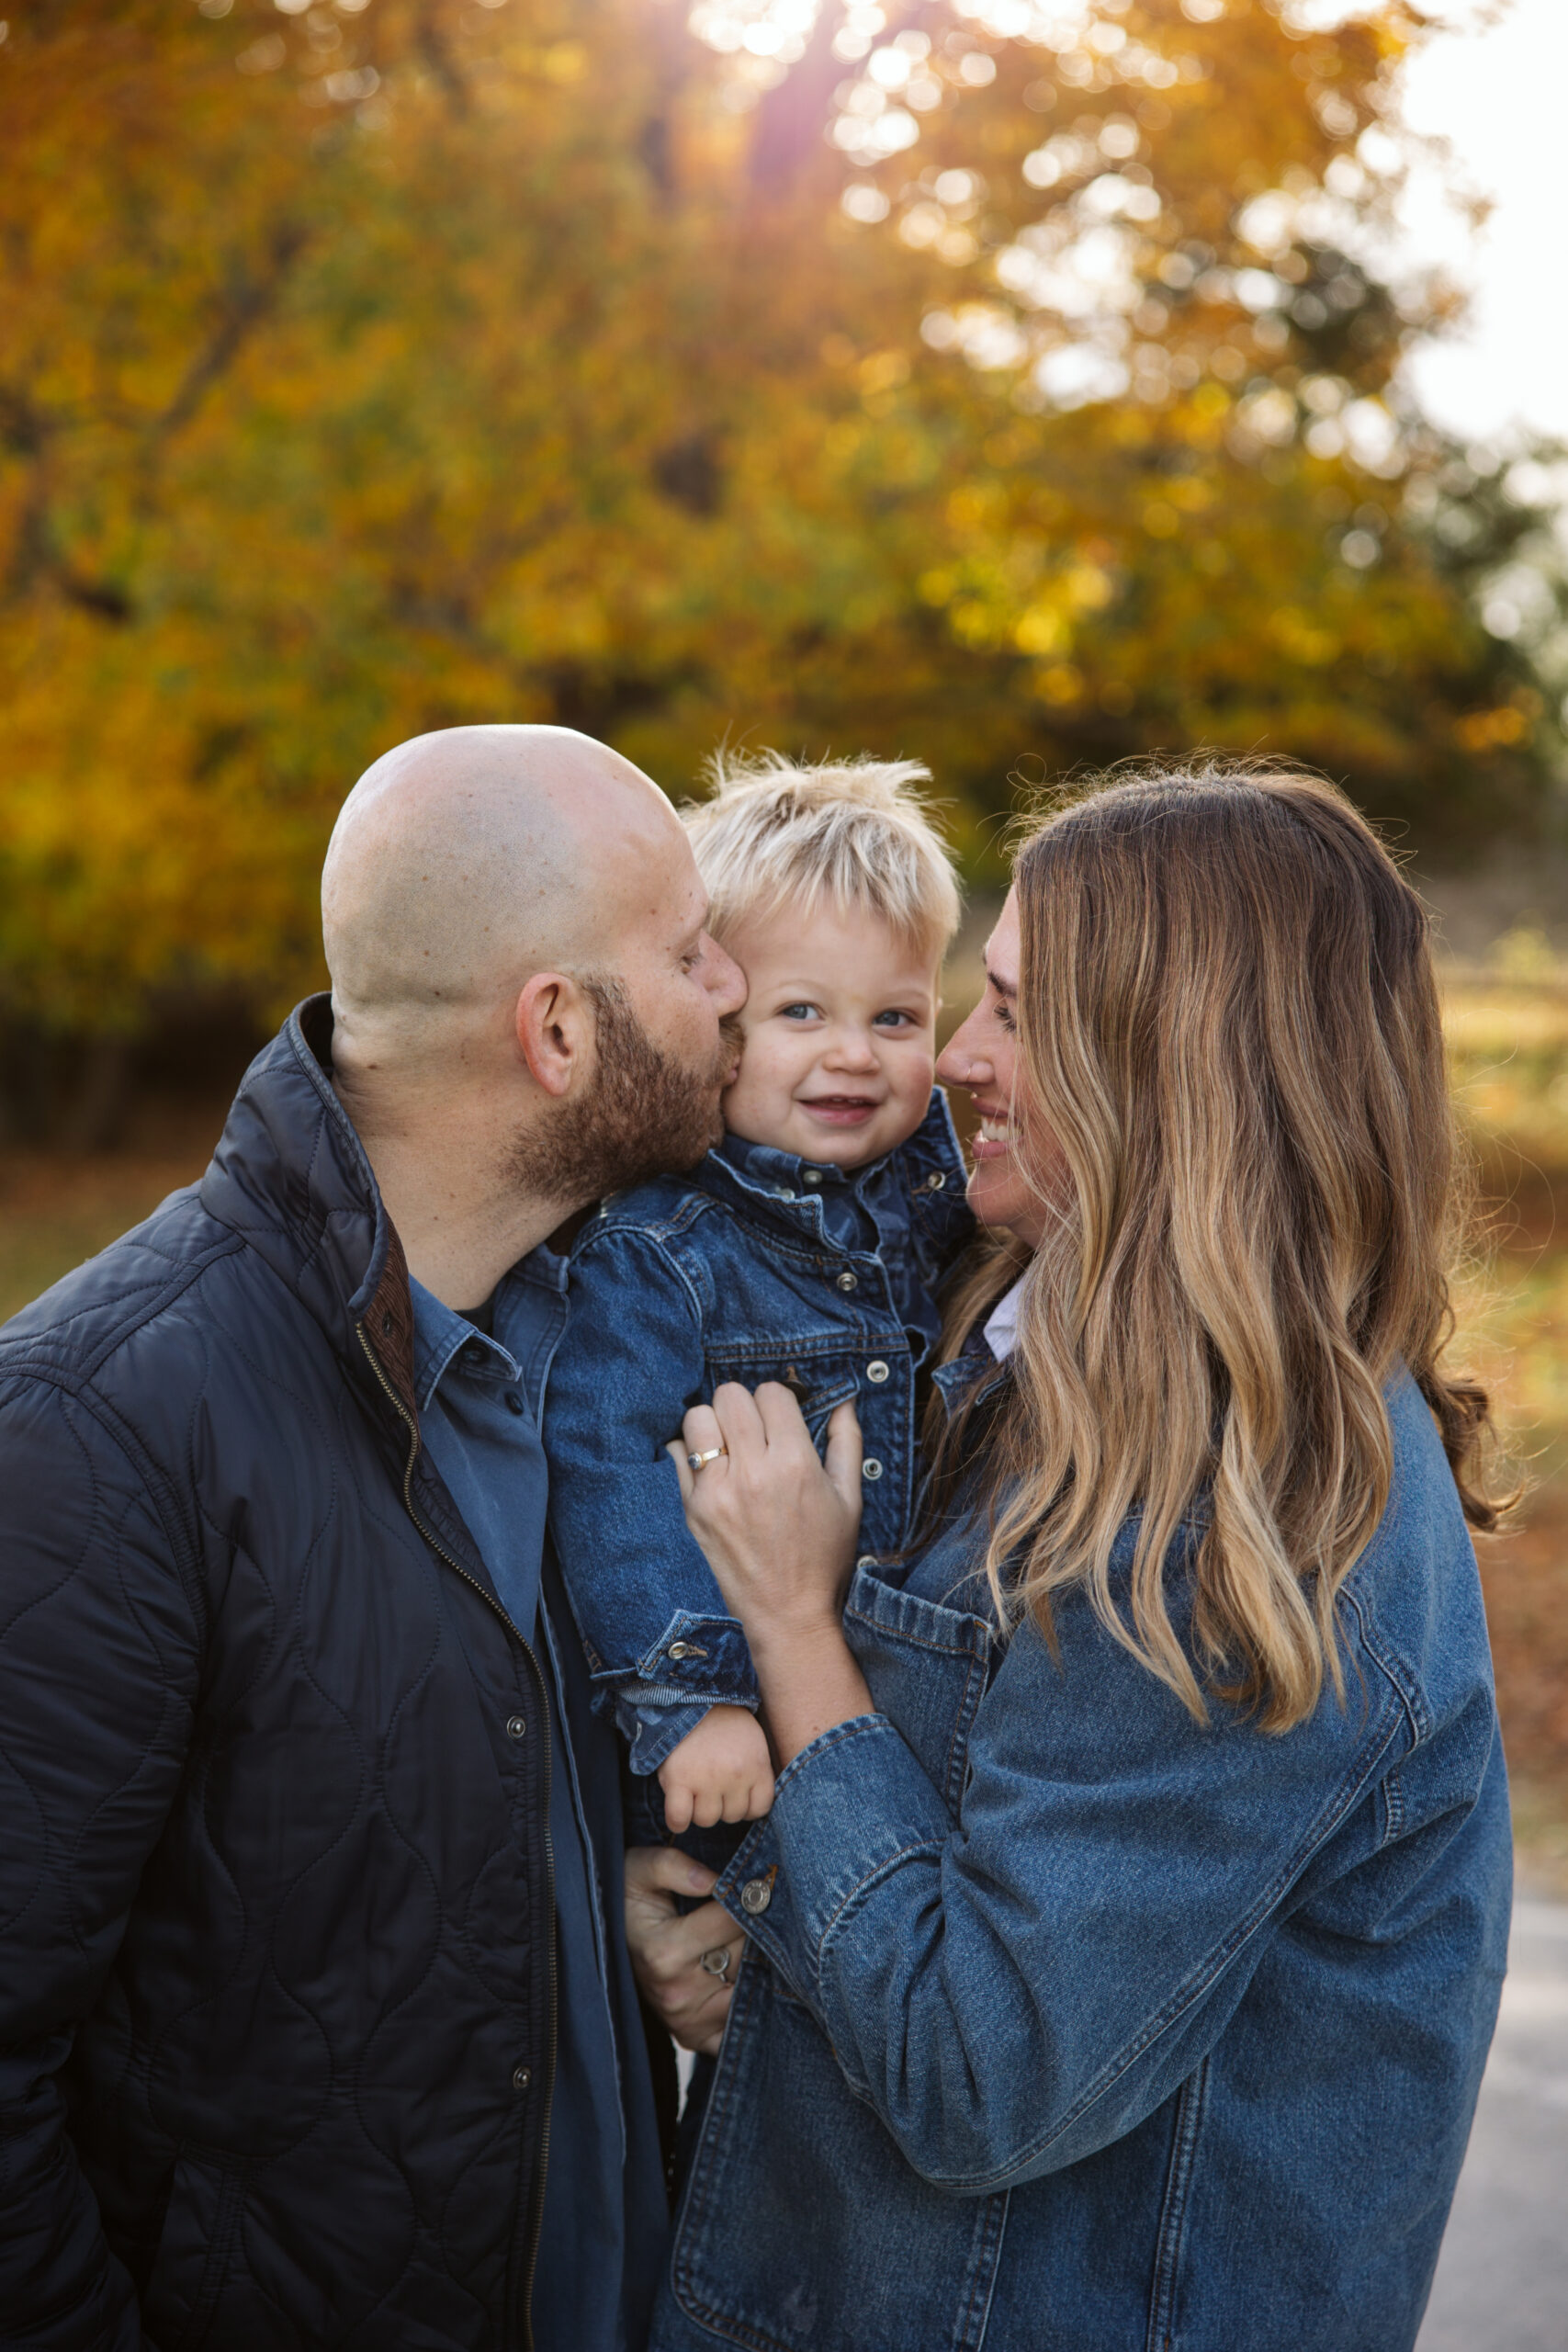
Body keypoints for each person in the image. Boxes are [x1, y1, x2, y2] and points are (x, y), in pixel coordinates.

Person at [628, 763, 1514, 2352]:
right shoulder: (1023, 1357)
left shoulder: (1243, 1519)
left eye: (1018, 1015)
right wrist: (721, 1934)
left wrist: (788, 1625)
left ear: (1175, 1072)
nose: (956, 1055)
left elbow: (983, 2073)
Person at [0, 724, 745, 2351]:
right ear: (557, 1030)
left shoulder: (596, 1355)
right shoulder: (97, 1428)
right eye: (690, 952)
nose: (734, 986)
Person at [546, 754, 973, 1844]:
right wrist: (692, 1701)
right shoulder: (664, 1251)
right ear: (720, 1023)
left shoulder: (939, 1210)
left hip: (890, 1727)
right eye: (801, 1011)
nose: (853, 1054)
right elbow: (602, 1463)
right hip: (732, 1745)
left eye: (895, 1017)